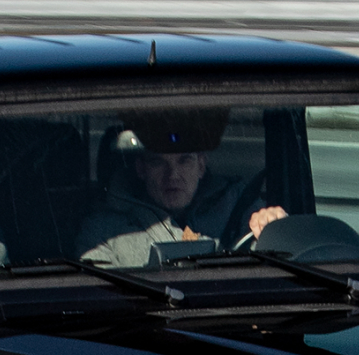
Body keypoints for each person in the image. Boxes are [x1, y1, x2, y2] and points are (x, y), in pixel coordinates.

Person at [78, 110, 284, 266]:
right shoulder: (103, 231)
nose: (173, 175)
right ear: (141, 169)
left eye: (184, 161)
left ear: (201, 166)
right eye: (158, 163)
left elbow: (279, 267)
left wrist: (274, 227)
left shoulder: (240, 207)